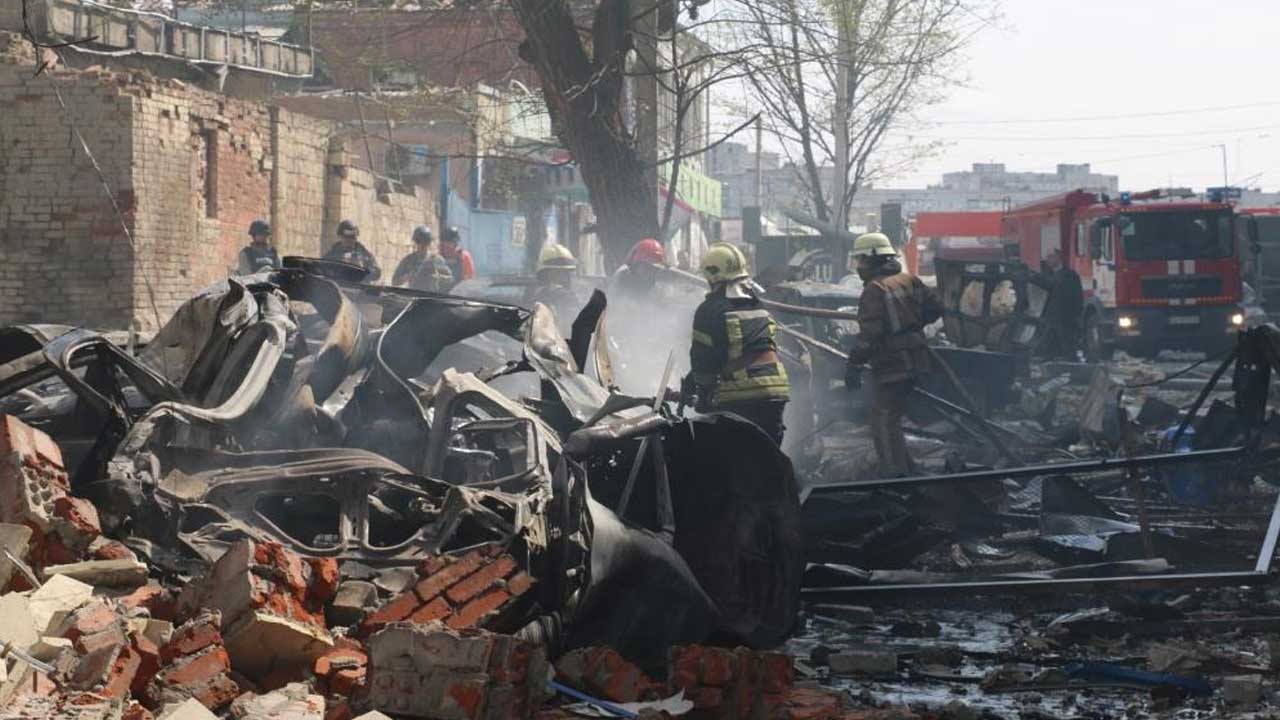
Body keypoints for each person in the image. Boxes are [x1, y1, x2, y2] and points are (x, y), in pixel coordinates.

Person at [844, 232, 943, 478]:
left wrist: (854, 365)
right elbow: (936, 308)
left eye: (861, 262)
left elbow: (869, 336)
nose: (859, 268)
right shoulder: (909, 280)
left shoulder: (875, 290)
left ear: (874, 259)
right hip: (917, 359)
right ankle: (905, 466)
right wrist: (913, 326)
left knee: (883, 419)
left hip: (893, 363)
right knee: (893, 416)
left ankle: (893, 474)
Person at [681, 242, 790, 445]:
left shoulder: (709, 309)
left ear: (713, 275)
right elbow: (736, 351)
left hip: (741, 395)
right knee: (769, 459)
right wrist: (690, 381)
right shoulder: (757, 304)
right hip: (776, 391)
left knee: (734, 461)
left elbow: (703, 360)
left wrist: (703, 396)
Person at [1040, 248, 1084, 359]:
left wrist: (1076, 314)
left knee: (1068, 345)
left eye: (1051, 257)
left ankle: (1072, 368)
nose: (1048, 260)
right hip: (1050, 317)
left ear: (1059, 258)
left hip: (1066, 317)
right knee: (1047, 345)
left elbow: (1077, 296)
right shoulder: (1045, 276)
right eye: (1047, 257)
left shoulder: (1070, 275)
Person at [526, 243, 581, 332]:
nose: (567, 277)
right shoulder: (567, 296)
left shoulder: (532, 295)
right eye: (561, 273)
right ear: (548, 273)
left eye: (567, 273)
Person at [392, 225, 453, 292]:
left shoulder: (436, 260)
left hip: (431, 297)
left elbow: (450, 280)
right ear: (415, 242)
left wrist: (437, 277)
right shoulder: (409, 260)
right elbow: (394, 281)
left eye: (425, 242)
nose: (421, 245)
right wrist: (406, 277)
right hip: (414, 296)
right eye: (419, 241)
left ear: (429, 243)